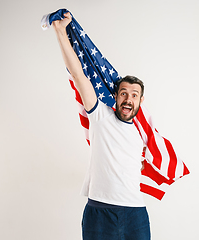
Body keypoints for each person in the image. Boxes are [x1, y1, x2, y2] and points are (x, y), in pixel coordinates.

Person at [52, 12, 150, 240]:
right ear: (115, 96)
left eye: (134, 95)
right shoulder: (100, 115)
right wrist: (61, 31)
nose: (128, 99)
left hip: (136, 214)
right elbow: (78, 74)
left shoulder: (144, 133)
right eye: (123, 93)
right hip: (99, 211)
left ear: (140, 101)